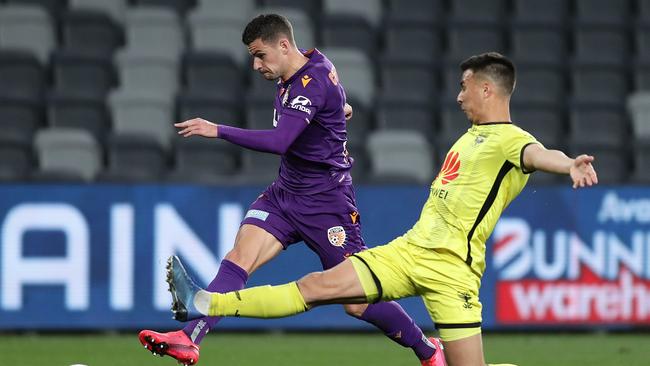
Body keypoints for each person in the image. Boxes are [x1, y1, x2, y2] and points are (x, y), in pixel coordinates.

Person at [166, 52, 599, 366]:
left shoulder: (510, 139)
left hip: (453, 273)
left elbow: (539, 154)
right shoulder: (470, 136)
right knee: (316, 287)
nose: (459, 95)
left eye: (465, 86)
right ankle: (205, 302)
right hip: (409, 252)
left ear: (487, 88)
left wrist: (569, 164)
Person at [139, 13, 445, 366]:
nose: (255, 65)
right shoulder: (303, 66)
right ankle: (189, 338)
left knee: (357, 301)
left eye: (260, 55)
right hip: (284, 194)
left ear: (284, 45)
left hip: (327, 203)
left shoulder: (310, 80)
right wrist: (338, 107)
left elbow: (281, 140)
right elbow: (330, 99)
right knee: (240, 258)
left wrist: (217, 130)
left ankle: (428, 349)